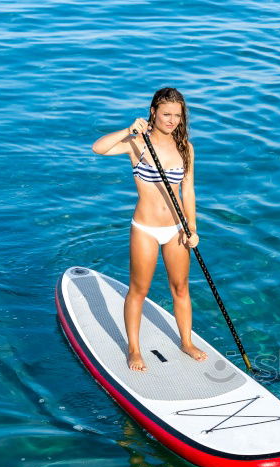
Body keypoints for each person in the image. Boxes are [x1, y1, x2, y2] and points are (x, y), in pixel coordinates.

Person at [92, 87, 207, 372]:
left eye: (177, 116)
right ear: (153, 112)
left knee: (180, 288)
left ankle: (186, 342)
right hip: (145, 228)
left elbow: (188, 191)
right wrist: (128, 130)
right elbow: (98, 148)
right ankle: (133, 348)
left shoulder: (185, 148)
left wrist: (192, 227)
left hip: (176, 229)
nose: (171, 121)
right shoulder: (138, 143)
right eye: (166, 114)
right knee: (139, 290)